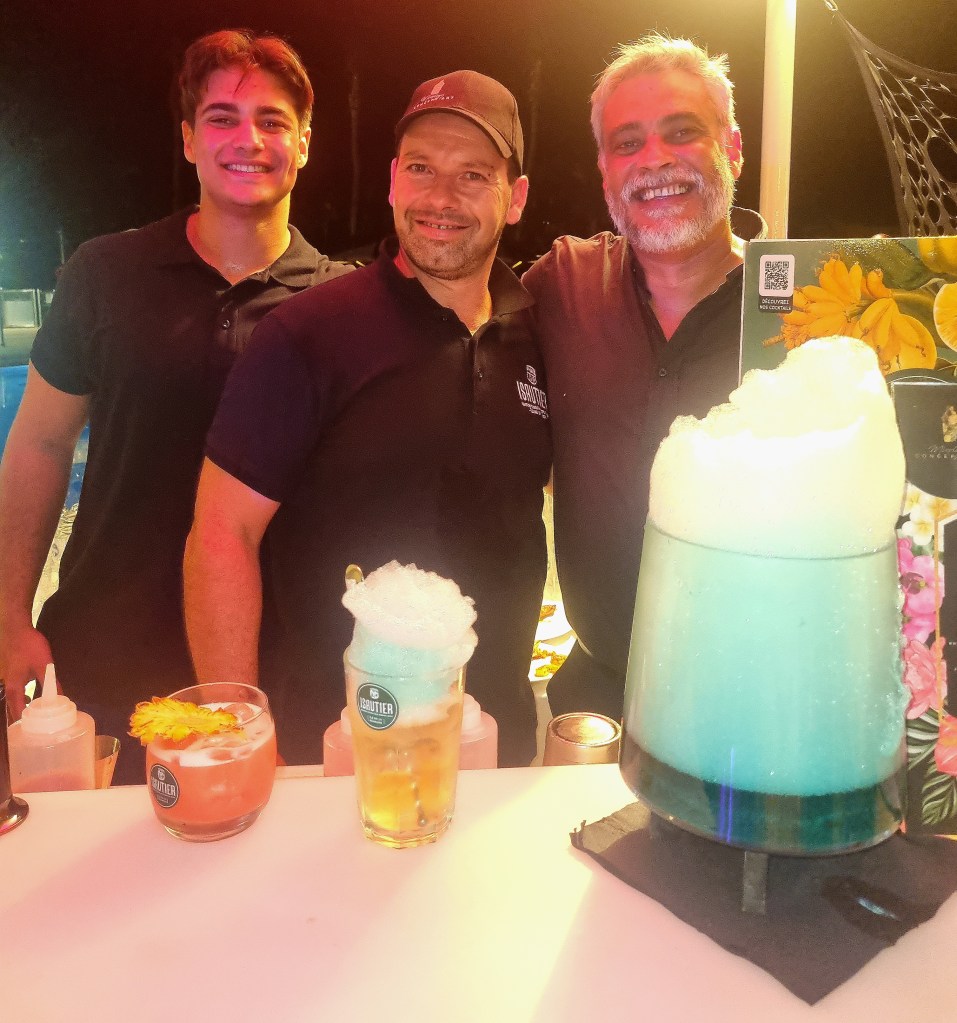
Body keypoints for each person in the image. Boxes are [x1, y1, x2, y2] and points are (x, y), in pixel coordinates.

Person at [0, 30, 351, 782]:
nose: (247, 139)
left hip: (277, 667)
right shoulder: (107, 274)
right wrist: (7, 614)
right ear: (189, 139)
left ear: (303, 143)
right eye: (222, 118)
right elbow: (38, 444)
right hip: (110, 651)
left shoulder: (338, 301)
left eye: (272, 120)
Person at [184, 71, 551, 767]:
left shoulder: (536, 334)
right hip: (335, 748)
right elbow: (223, 532)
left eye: (473, 175)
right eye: (420, 168)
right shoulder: (309, 332)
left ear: (517, 198)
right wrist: (235, 728)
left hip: (491, 742)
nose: (440, 197)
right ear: (392, 180)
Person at [523, 34, 766, 720]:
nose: (654, 159)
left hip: (759, 705)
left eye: (682, 132)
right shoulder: (562, 285)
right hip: (599, 695)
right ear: (604, 170)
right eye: (626, 142)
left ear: (732, 147)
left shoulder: (805, 309)